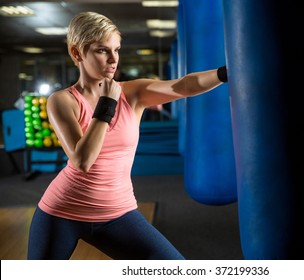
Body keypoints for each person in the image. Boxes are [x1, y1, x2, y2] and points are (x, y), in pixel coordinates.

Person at [27, 11, 228, 260]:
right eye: (102, 50)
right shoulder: (62, 101)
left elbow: (183, 85)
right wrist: (106, 105)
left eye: (117, 49)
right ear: (77, 53)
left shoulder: (132, 93)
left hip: (118, 212)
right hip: (62, 212)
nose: (113, 59)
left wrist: (226, 73)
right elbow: (82, 161)